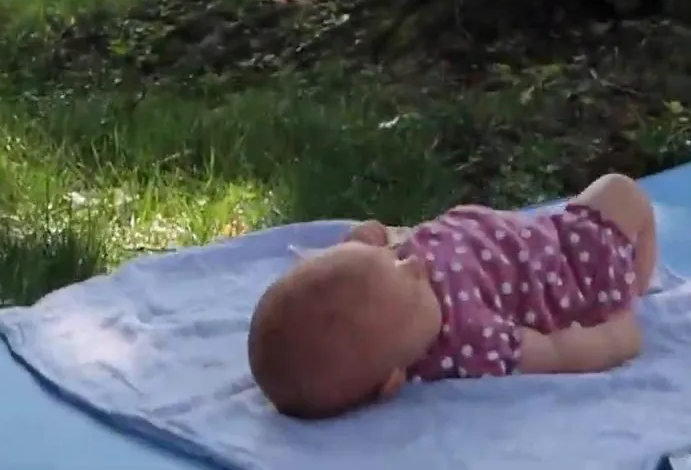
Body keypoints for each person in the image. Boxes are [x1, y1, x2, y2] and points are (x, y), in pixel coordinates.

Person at [246, 173, 658, 419]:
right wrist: (616, 339)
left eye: (392, 260)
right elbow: (556, 350)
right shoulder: (469, 340)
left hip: (533, 233)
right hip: (573, 260)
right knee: (621, 192)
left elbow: (358, 261)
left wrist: (362, 243)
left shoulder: (377, 299)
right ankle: (636, 284)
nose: (415, 264)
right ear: (393, 382)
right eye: (411, 283)